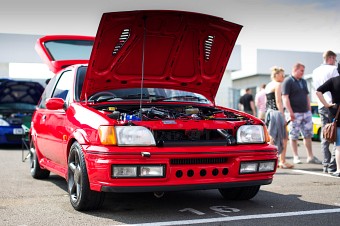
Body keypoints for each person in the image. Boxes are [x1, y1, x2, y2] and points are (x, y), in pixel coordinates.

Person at [282, 63, 321, 164]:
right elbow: (285, 97)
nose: (303, 73)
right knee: (294, 135)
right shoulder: (288, 81)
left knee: (308, 135)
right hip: (294, 113)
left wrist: (309, 110)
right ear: (295, 70)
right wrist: (290, 112)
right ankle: (296, 156)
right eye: (301, 71)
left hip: (306, 113)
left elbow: (307, 96)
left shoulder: (303, 81)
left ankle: (310, 156)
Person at [312, 50, 339, 173]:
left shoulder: (315, 70)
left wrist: (324, 104)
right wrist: (328, 103)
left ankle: (326, 165)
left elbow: (317, 89)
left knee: (326, 135)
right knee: (336, 135)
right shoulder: (333, 70)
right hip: (333, 107)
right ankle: (333, 166)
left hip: (321, 105)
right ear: (331, 58)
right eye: (335, 59)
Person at [265, 66, 293, 168]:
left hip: (269, 112)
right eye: (282, 75)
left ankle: (271, 159)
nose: (283, 77)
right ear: (276, 75)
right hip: (276, 112)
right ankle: (282, 161)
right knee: (283, 136)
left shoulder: (268, 85)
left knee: (272, 136)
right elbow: (278, 101)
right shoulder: (278, 84)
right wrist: (283, 116)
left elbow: (266, 101)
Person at [316, 75, 340, 177]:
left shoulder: (334, 80)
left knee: (339, 144)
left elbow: (318, 91)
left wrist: (326, 104)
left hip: (337, 112)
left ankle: (338, 170)